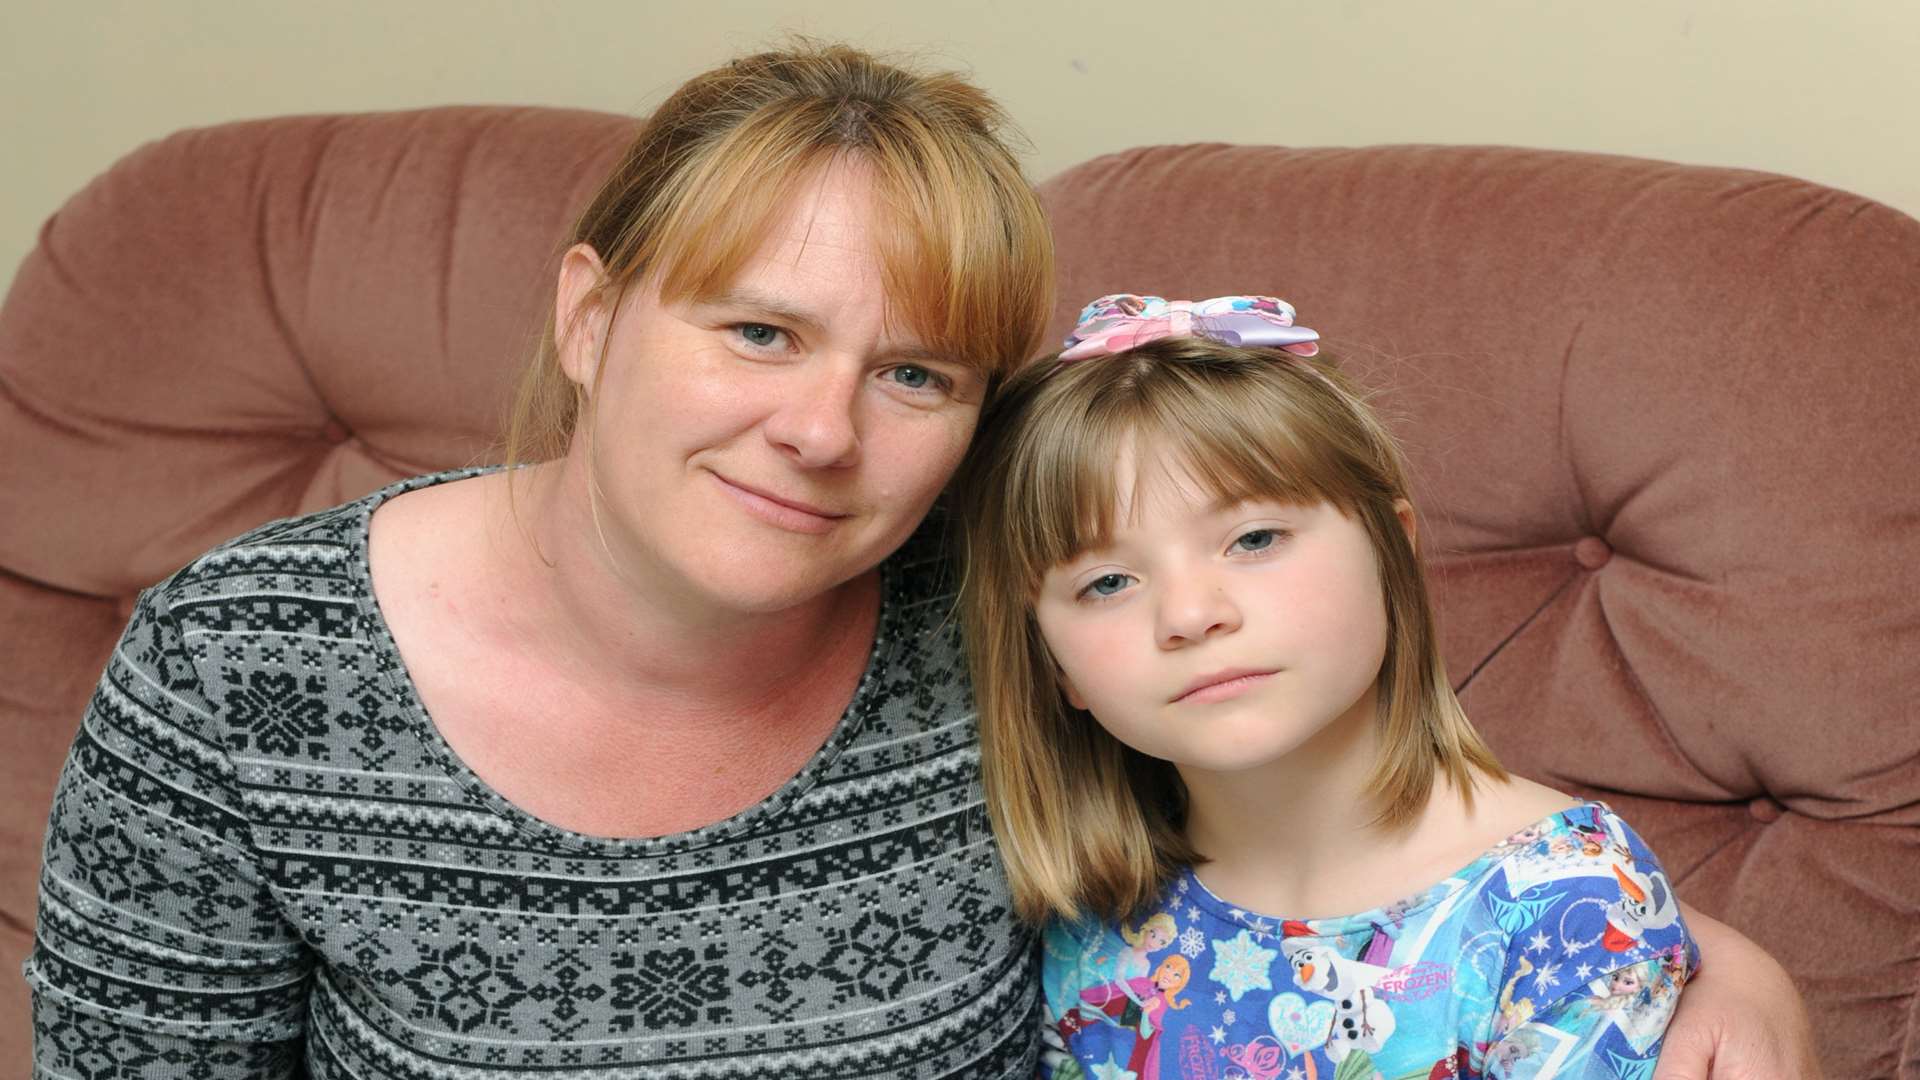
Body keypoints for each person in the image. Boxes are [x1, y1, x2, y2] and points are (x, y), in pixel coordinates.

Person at [23, 41, 1814, 1080]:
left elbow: (1312, 735)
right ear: (589, 316)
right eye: (756, 333)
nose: (822, 430)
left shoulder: (1006, 590)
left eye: (913, 374)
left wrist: (1709, 961)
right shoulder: (241, 675)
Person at [951, 296, 1703, 1078]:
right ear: (1052, 662)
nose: (1189, 615)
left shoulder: (1567, 907)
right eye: (1108, 582)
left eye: (1254, 539)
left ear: (1392, 550)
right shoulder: (1090, 910)